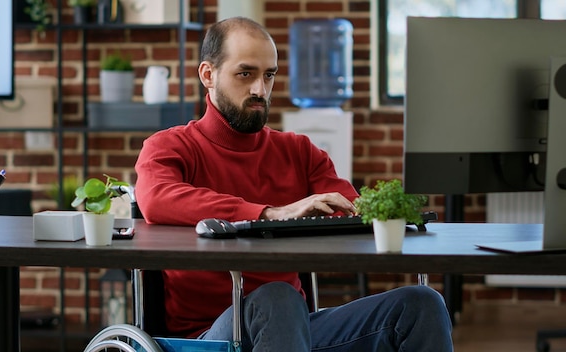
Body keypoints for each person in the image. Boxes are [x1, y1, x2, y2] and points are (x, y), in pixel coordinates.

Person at [135, 16, 453, 352]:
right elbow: (157, 198)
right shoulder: (170, 146)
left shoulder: (299, 151)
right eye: (246, 74)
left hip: (295, 329)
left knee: (421, 304)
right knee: (276, 297)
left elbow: (350, 209)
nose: (260, 89)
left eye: (268, 75)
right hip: (211, 336)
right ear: (208, 75)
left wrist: (380, 215)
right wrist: (269, 214)